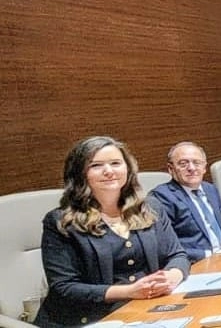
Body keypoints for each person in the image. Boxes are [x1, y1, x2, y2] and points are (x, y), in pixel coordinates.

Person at [35, 136, 190, 328]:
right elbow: (64, 287)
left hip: (145, 309)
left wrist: (172, 276)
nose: (109, 171)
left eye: (116, 163)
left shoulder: (150, 208)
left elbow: (177, 255)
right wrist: (129, 291)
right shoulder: (61, 221)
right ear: (79, 173)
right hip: (89, 318)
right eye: (96, 165)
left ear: (128, 168)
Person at [148, 142, 221, 263]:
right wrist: (210, 254)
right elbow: (165, 246)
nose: (191, 168)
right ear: (171, 169)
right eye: (183, 163)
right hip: (195, 262)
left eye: (197, 162)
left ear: (204, 167)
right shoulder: (162, 197)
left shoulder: (210, 189)